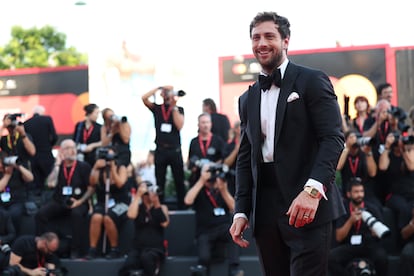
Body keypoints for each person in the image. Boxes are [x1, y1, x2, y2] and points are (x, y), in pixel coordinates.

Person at [229, 12, 345, 276]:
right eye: (256, 37)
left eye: (270, 36)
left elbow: (333, 138)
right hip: (265, 209)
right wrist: (241, 211)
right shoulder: (247, 99)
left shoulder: (311, 80)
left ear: (286, 40)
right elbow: (246, 158)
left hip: (305, 201)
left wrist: (312, 191)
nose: (262, 43)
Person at [34, 139, 94, 259]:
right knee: (40, 215)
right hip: (59, 201)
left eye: (73, 148)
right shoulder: (58, 166)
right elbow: (50, 184)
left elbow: (91, 188)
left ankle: (75, 250)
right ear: (61, 151)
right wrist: (57, 165)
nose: (72, 151)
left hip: (78, 200)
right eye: (68, 148)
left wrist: (80, 201)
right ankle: (44, 245)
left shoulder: (83, 166)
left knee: (76, 214)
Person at [185, 164, 244, 276]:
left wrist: (223, 190)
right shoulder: (199, 188)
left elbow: (235, 208)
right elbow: (188, 200)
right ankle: (202, 270)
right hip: (205, 230)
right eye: (209, 171)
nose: (212, 175)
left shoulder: (222, 187)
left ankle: (234, 269)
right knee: (204, 257)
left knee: (234, 232)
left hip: (223, 228)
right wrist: (202, 181)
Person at [328, 177, 388, 276]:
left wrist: (375, 232)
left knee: (382, 258)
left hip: (368, 245)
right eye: (356, 192)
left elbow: (382, 233)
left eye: (361, 191)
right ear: (348, 194)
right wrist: (350, 221)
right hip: (348, 246)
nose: (359, 194)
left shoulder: (372, 208)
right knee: (331, 258)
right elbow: (339, 237)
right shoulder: (343, 209)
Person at [142, 85, 186, 210]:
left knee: (179, 180)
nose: (168, 95)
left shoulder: (179, 109)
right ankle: (159, 206)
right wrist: (157, 88)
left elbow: (179, 125)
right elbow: (144, 98)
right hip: (161, 149)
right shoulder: (157, 108)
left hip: (175, 150)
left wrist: (174, 105)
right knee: (159, 180)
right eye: (166, 93)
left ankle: (182, 207)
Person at [86, 146, 129, 259]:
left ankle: (114, 249)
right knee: (96, 217)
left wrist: (113, 169)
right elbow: (91, 183)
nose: (108, 159)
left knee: (108, 218)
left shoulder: (121, 168)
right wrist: (95, 167)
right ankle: (92, 249)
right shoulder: (99, 169)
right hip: (103, 201)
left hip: (121, 202)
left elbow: (120, 184)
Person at [118, 181, 169, 276]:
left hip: (155, 248)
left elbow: (165, 223)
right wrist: (138, 195)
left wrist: (156, 203)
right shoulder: (137, 208)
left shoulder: (162, 207)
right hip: (138, 248)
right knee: (127, 266)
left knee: (147, 258)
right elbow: (131, 215)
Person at [23, 105, 58, 194]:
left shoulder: (26, 123)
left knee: (37, 184)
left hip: (33, 157)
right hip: (46, 155)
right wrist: (49, 145)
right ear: (42, 112)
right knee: (51, 180)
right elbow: (54, 136)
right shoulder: (47, 119)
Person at [188, 113, 226, 187]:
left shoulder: (218, 140)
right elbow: (190, 161)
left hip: (214, 180)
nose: (206, 125)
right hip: (197, 180)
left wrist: (212, 166)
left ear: (211, 124)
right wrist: (196, 166)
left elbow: (224, 159)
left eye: (207, 122)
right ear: (198, 125)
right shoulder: (194, 142)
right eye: (203, 122)